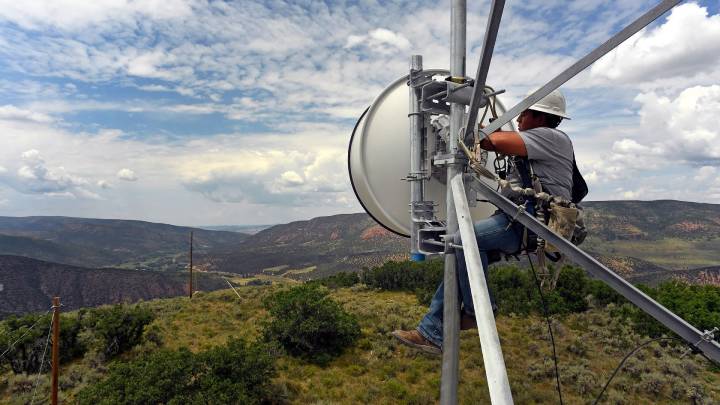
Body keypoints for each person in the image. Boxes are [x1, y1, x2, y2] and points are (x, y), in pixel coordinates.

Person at [391, 89, 575, 355]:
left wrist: (461, 130)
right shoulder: (540, 139)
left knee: (460, 241)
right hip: (518, 220)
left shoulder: (551, 137)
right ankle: (430, 331)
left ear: (540, 117)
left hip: (527, 224)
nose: (519, 118)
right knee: (467, 253)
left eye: (524, 113)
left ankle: (476, 311)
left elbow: (489, 141)